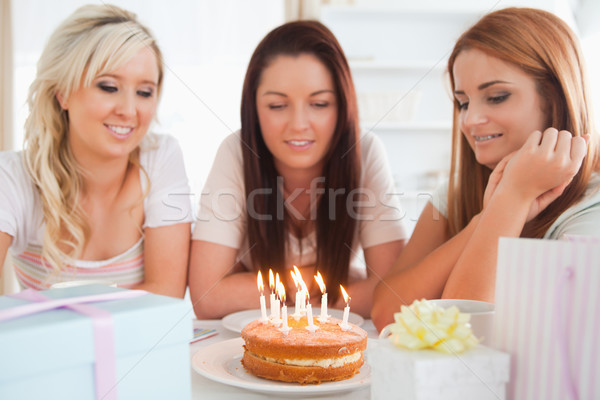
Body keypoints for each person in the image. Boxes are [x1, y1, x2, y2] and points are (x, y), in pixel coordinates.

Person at [371, 7, 600, 331]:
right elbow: (386, 315)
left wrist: (512, 198)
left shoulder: (591, 210)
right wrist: (490, 214)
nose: (470, 119)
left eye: (496, 97)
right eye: (463, 102)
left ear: (555, 98)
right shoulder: (454, 195)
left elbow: (469, 337)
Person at [189, 20, 408, 319]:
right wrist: (337, 282)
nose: (299, 125)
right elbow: (207, 298)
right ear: (253, 110)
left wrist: (252, 287)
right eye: (278, 106)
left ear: (342, 106)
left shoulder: (366, 151)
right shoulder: (236, 151)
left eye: (319, 104)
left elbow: (392, 292)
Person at [0, 4, 192, 297]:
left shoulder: (159, 157)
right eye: (108, 87)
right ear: (62, 92)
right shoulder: (12, 178)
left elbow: (167, 294)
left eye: (144, 92)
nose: (129, 111)